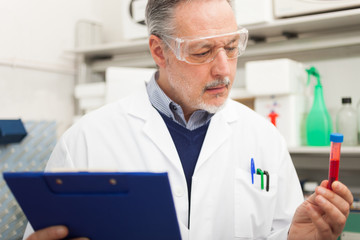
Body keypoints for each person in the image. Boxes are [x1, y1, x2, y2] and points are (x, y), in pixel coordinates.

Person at [24, 0, 353, 239]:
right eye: (202, 51)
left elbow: (284, 231)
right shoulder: (86, 141)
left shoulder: (264, 138)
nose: (223, 68)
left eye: (231, 46)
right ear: (159, 51)